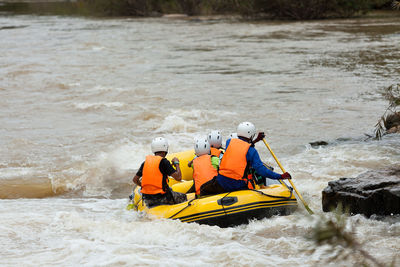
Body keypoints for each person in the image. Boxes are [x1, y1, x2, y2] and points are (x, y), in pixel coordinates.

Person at [200, 122, 291, 196]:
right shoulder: (252, 151)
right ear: (251, 135)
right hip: (238, 185)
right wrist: (281, 176)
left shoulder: (229, 142)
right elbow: (262, 171)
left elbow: (242, 147)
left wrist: (256, 140)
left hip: (222, 182)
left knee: (203, 189)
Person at [132, 137, 187, 207]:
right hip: (161, 198)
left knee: (170, 189)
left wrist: (145, 187)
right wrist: (176, 163)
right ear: (165, 149)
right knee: (184, 197)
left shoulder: (145, 162)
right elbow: (178, 177)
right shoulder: (164, 162)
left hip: (147, 199)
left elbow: (135, 180)